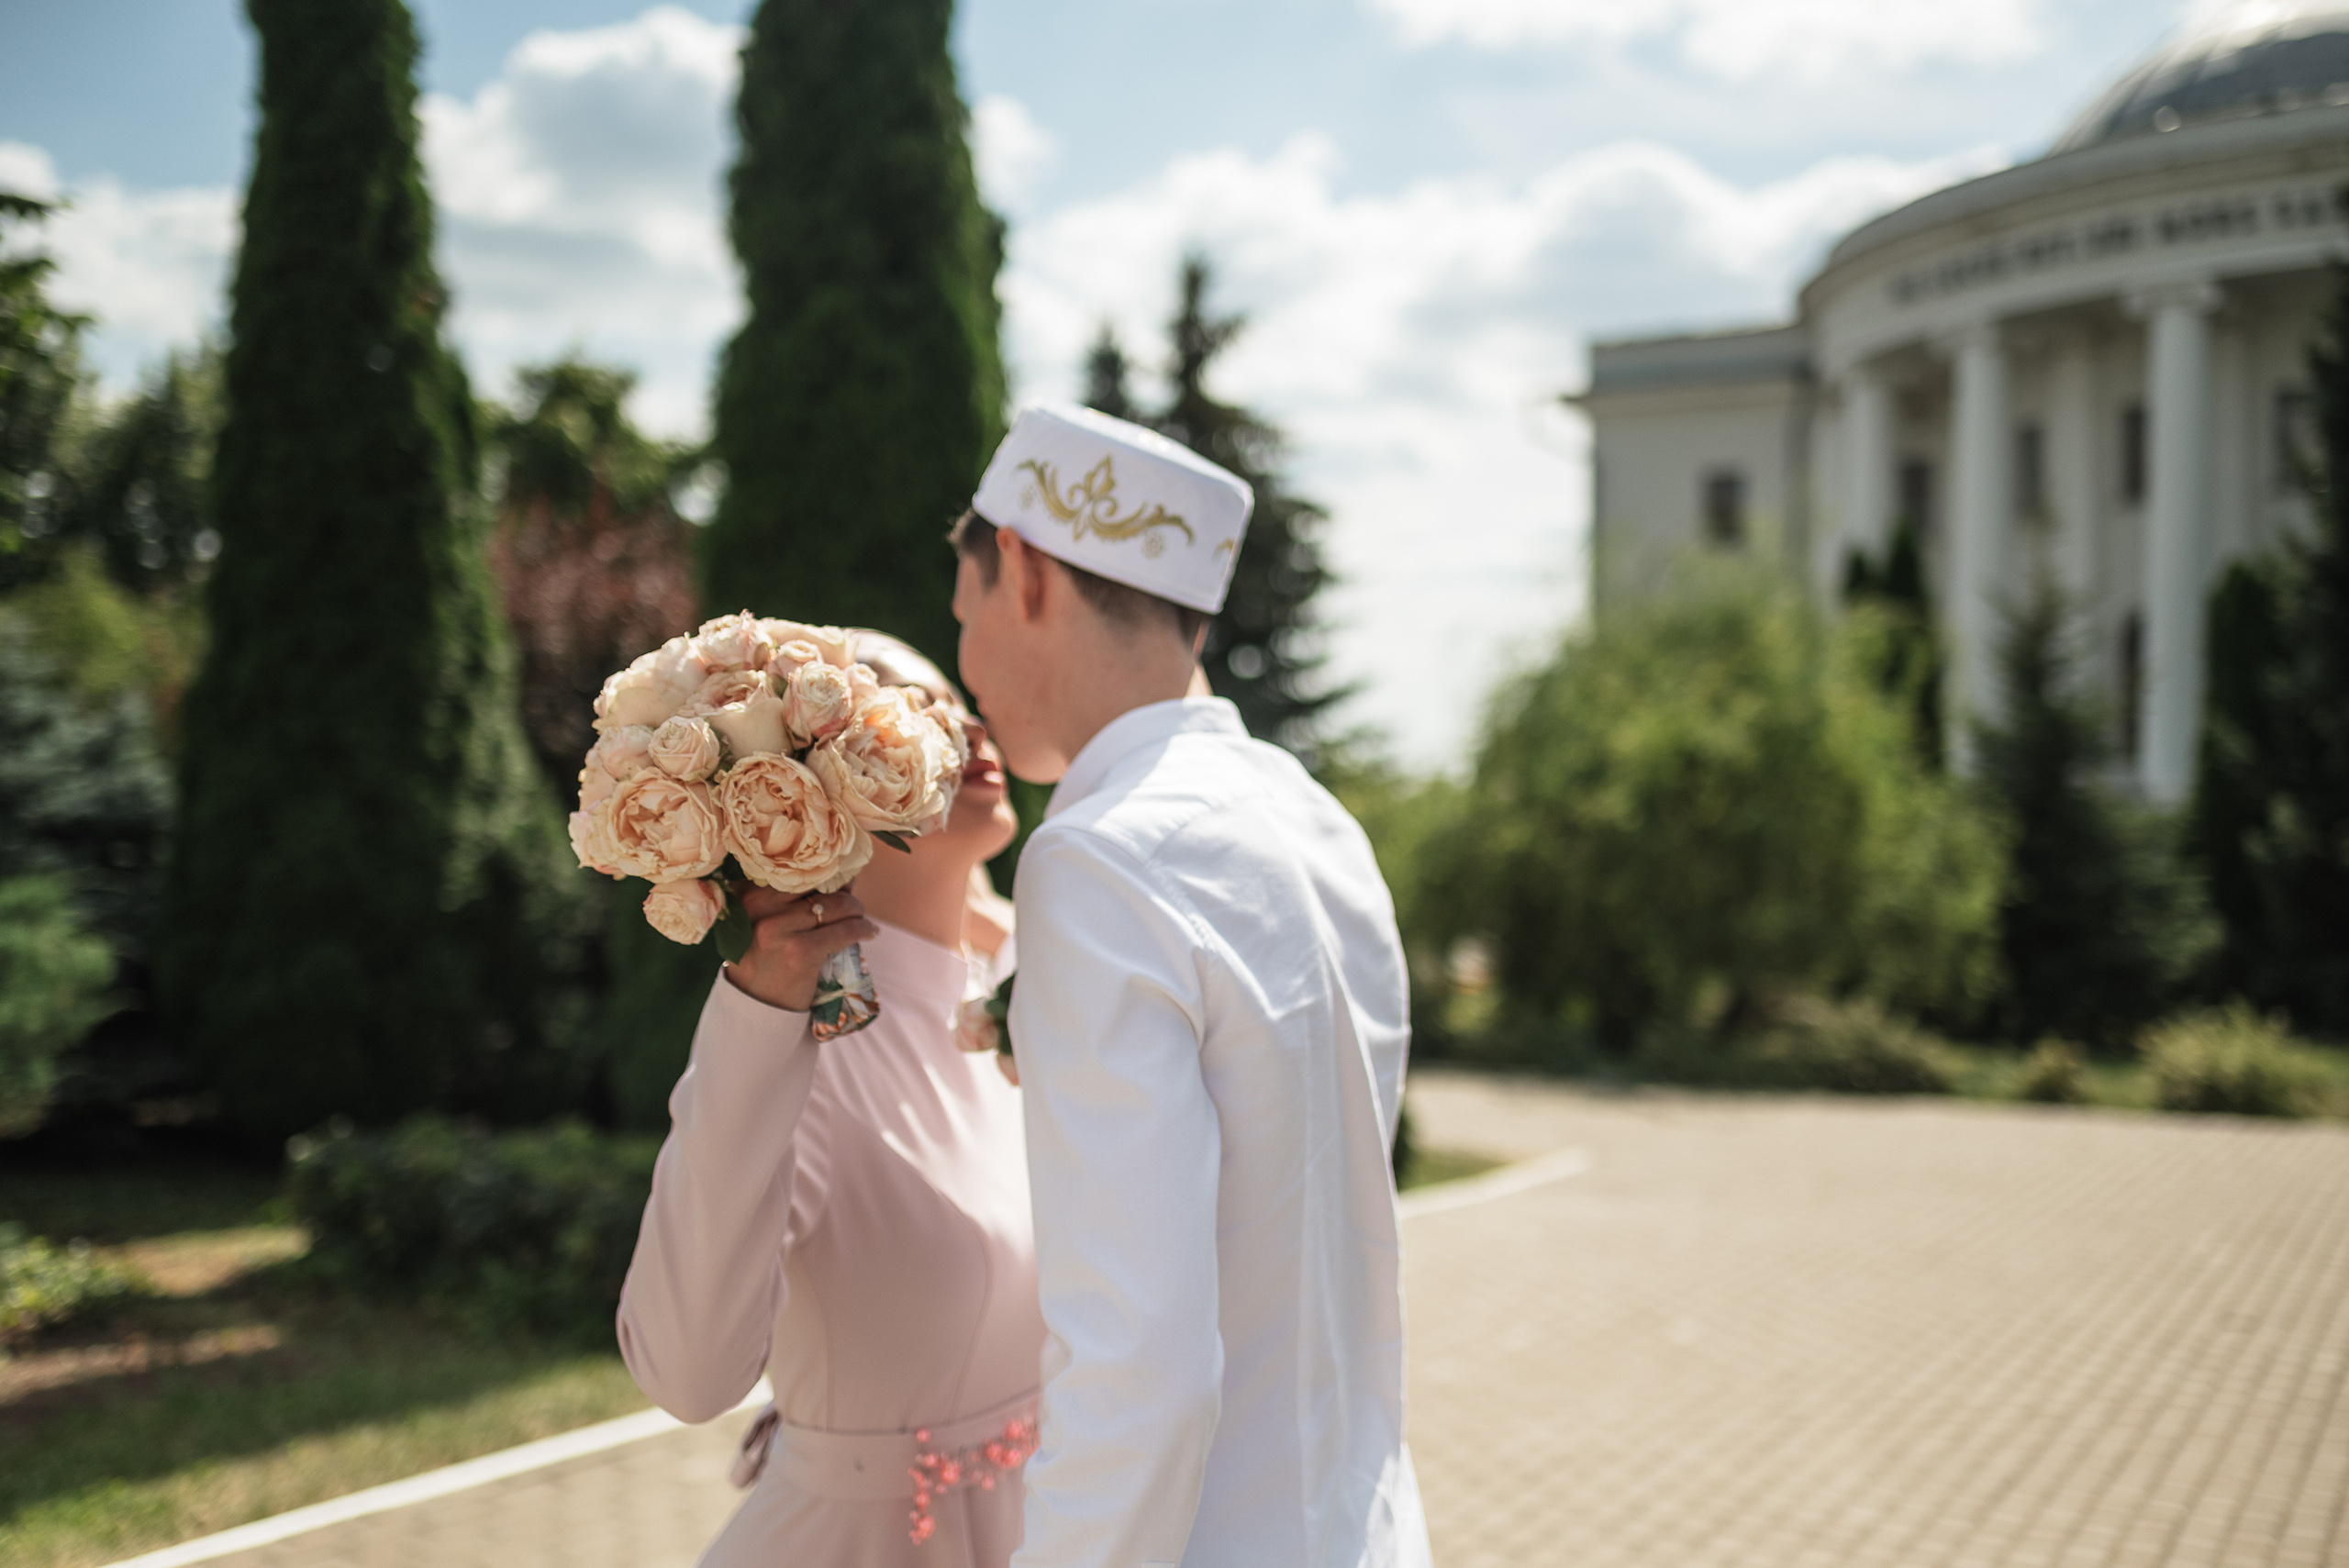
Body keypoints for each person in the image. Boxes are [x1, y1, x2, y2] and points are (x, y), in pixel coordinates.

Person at [952, 404, 1431, 1567]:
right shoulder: (1313, 821)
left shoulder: (1097, 857)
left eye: (957, 608)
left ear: (1018, 567)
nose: (961, 658)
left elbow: (1140, 1369)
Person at [617, 633, 1044, 1568]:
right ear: (799, 787)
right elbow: (689, 1375)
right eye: (896, 703)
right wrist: (753, 1027)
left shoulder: (1032, 980)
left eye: (950, 696)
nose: (962, 723)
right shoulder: (794, 1051)